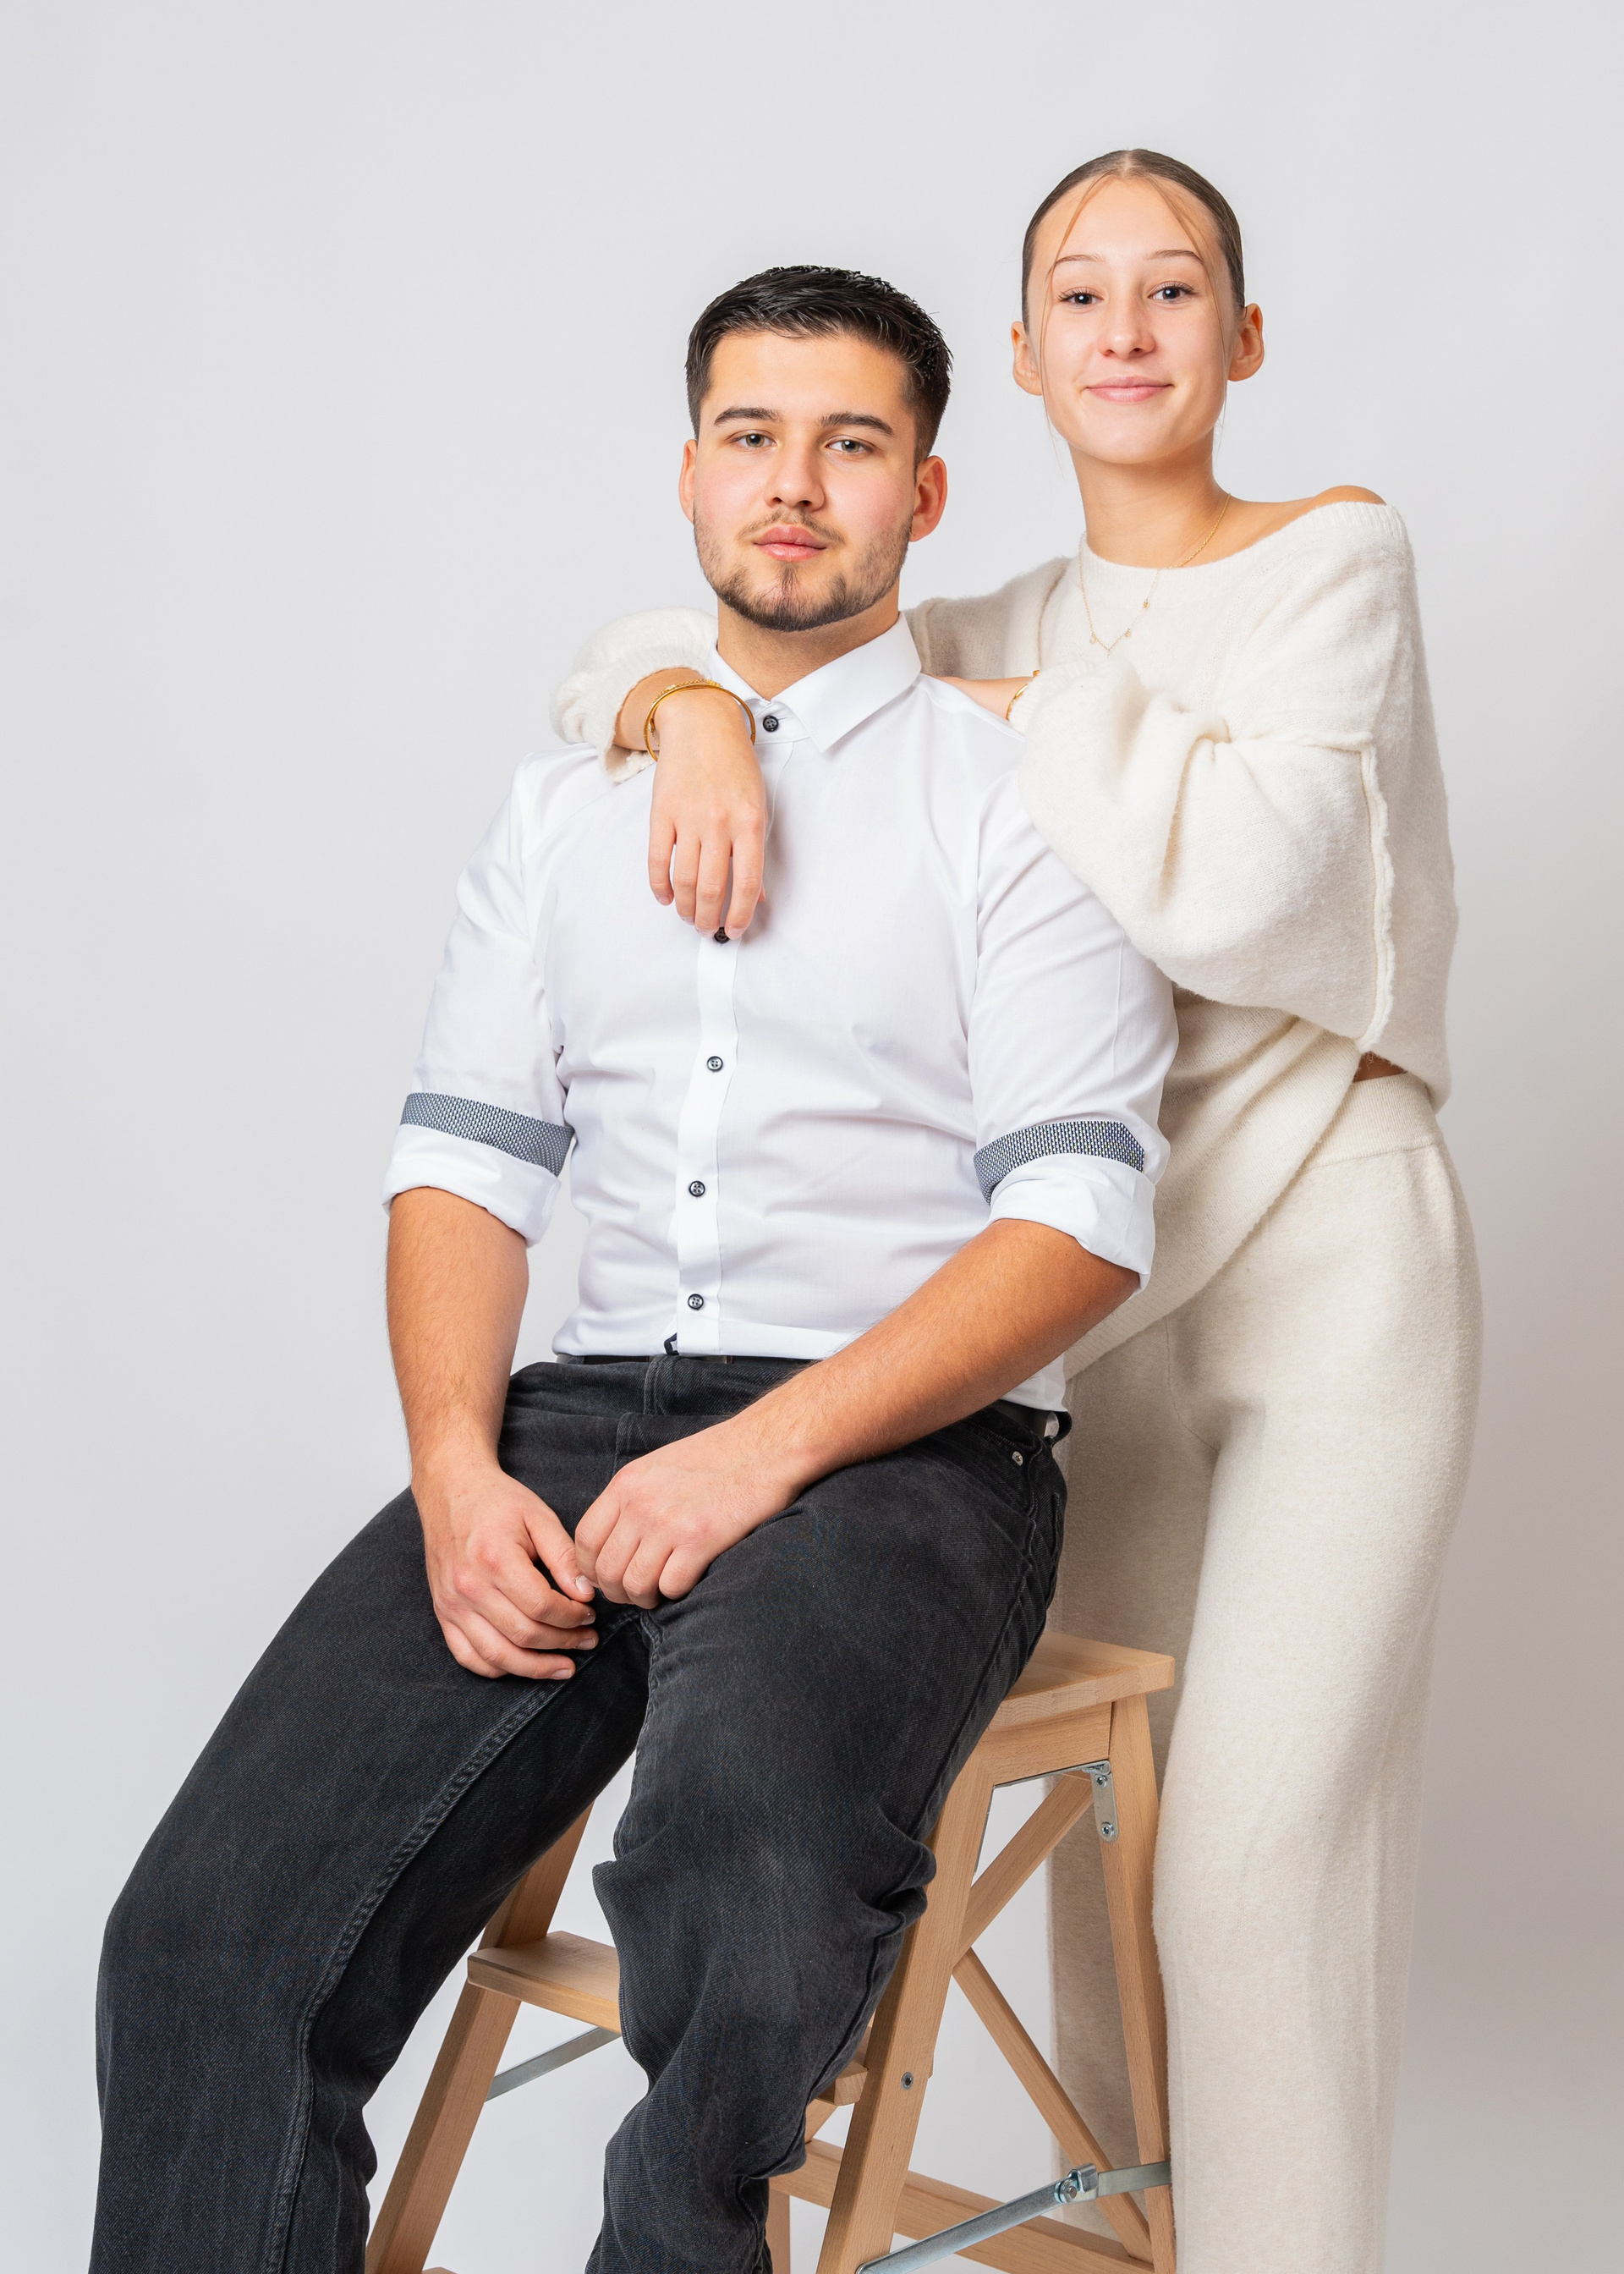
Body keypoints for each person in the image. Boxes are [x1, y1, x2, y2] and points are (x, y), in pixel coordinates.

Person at [90, 267, 1177, 2274]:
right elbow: (464, 1169)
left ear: (928, 495)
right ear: (690, 475)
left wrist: (761, 1455)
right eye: (752, 438)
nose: (795, 485)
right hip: (571, 1421)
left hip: (902, 1447)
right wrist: (452, 1470)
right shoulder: (565, 816)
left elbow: (1079, 1225)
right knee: (205, 1941)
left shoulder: (1021, 803)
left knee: (731, 1876)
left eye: (852, 444)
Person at [551, 151, 1482, 2274]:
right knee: (1105, 1865)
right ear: (1030, 364)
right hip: (1101, 1304)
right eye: (1082, 294)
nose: (1129, 328)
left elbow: (1256, 886)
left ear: (1243, 337)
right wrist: (692, 715)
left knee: (1258, 1870)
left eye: (1176, 289)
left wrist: (1025, 723)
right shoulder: (987, 624)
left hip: (1341, 1264)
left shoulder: (1335, 557)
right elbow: (671, 634)